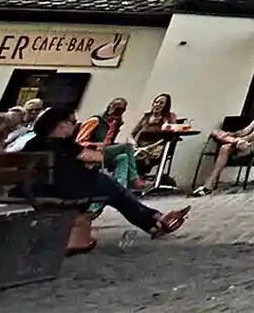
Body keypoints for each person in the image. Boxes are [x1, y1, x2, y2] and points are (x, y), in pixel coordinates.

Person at [26, 106, 188, 252]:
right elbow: (97, 157)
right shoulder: (64, 145)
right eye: (73, 122)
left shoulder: (32, 144)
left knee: (113, 189)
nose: (75, 126)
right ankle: (155, 220)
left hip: (38, 191)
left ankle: (155, 221)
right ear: (61, 125)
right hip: (68, 191)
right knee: (115, 190)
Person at [193, 91, 254, 196]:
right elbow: (244, 131)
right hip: (245, 143)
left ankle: (208, 185)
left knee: (225, 147)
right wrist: (231, 134)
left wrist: (246, 139)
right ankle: (235, 141)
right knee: (217, 133)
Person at [78, 99, 138, 190]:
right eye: (116, 107)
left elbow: (109, 142)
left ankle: (120, 189)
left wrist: (117, 126)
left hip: (103, 153)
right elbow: (79, 141)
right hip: (91, 152)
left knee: (123, 157)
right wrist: (96, 145)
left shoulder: (115, 123)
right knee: (128, 146)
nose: (117, 111)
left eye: (121, 109)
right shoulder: (95, 120)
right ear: (109, 106)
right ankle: (134, 178)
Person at [128, 94, 182, 183]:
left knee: (138, 159)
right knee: (125, 156)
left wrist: (165, 122)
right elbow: (131, 134)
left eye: (161, 103)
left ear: (166, 106)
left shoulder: (169, 116)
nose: (158, 105)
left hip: (156, 148)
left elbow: (173, 130)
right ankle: (129, 181)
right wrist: (133, 143)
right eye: (156, 102)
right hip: (140, 147)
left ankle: (136, 180)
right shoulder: (146, 117)